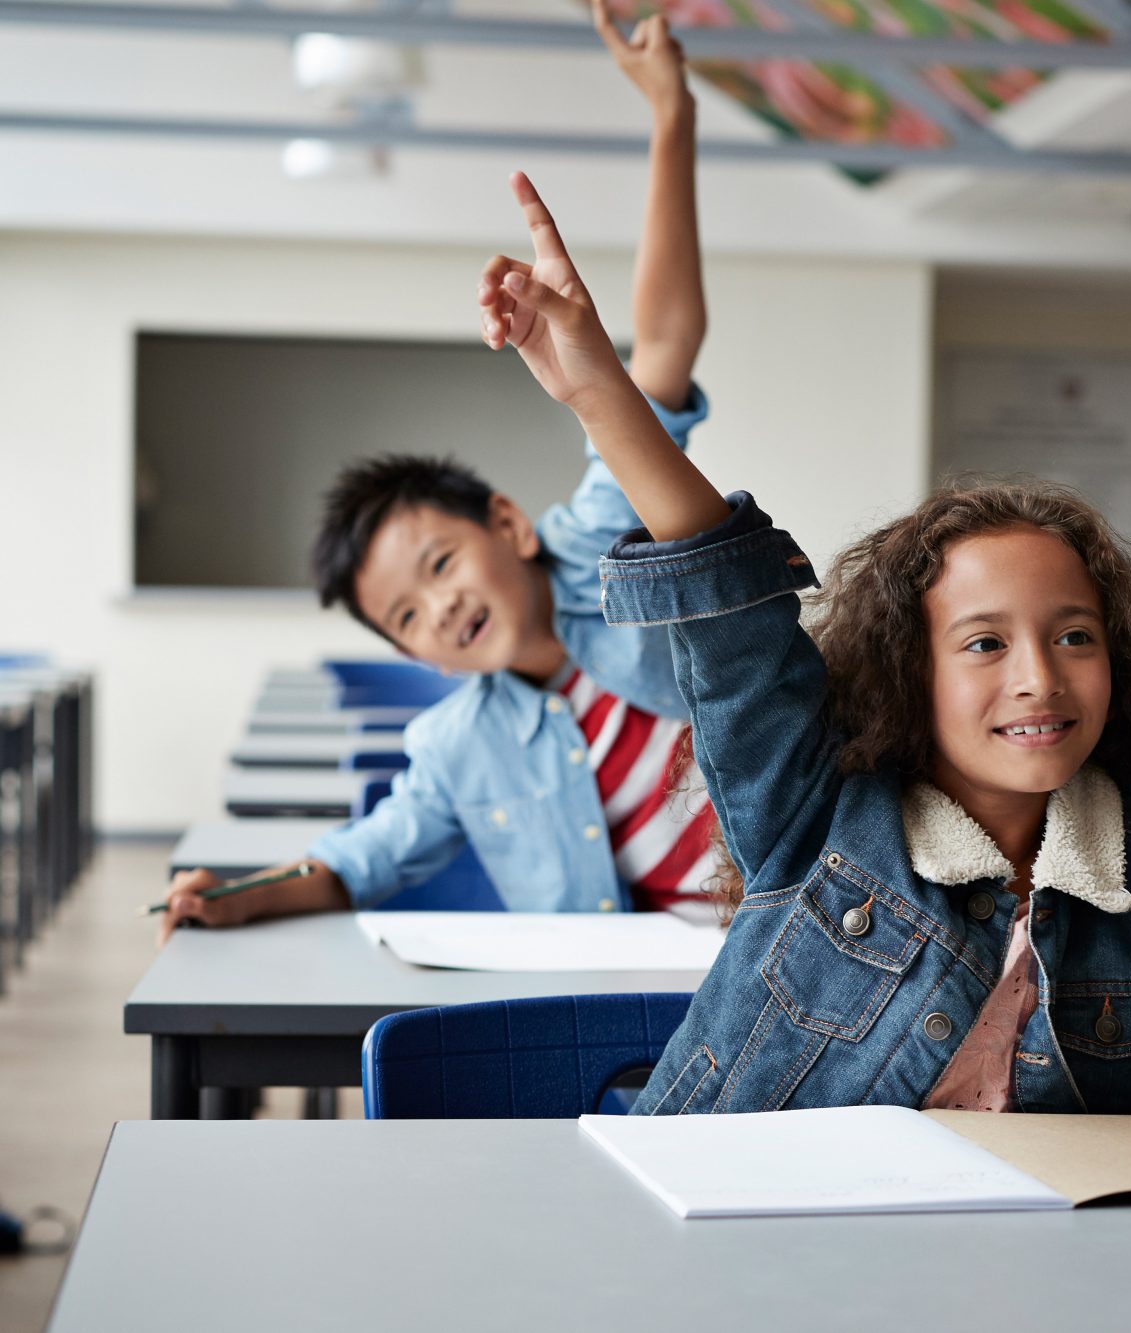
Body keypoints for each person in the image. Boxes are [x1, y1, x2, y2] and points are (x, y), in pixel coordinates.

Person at [474, 173, 1131, 1139]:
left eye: (1075, 635)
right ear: (912, 672)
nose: (1039, 674)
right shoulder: (814, 816)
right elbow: (732, 615)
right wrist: (600, 390)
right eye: (985, 643)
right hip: (764, 1250)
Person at [161, 2, 717, 935]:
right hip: (687, 998)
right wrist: (239, 891)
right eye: (408, 618)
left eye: (439, 566)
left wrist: (672, 115)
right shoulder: (461, 746)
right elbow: (361, 857)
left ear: (508, 524)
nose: (442, 611)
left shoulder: (595, 541)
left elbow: (663, 340)